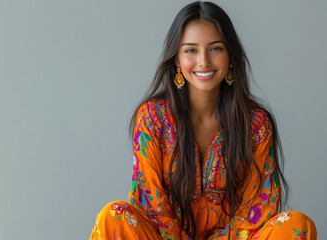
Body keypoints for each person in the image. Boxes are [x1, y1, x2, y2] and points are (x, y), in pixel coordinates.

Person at [90, 1, 317, 239]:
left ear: (230, 56)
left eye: (215, 48)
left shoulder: (256, 124)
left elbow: (256, 209)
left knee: (296, 224)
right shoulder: (152, 118)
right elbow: (152, 206)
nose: (204, 61)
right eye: (191, 50)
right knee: (113, 216)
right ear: (176, 59)